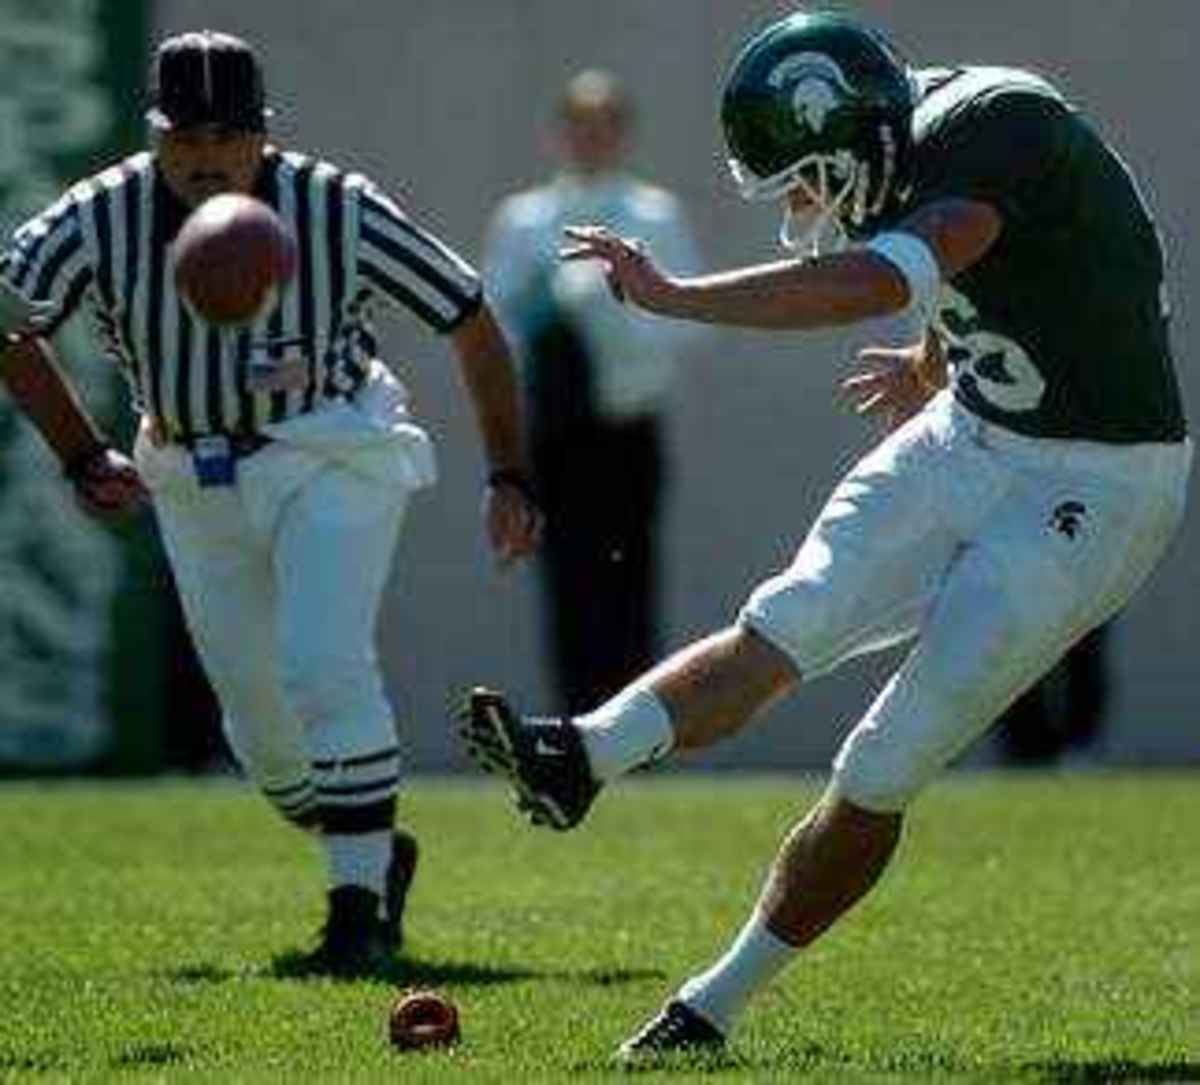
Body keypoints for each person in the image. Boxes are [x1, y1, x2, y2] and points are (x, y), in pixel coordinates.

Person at [459, 9, 1190, 1059]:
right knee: (793, 615)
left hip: (1096, 483)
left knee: (886, 754)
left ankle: (713, 1000)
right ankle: (578, 755)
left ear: (858, 134)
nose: (805, 205)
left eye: (810, 176)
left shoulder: (1000, 124)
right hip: (976, 426)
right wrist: (935, 361)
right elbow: (988, 263)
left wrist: (671, 297)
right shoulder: (911, 136)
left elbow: (883, 275)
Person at [0, 29, 540, 974]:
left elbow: (469, 314)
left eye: (228, 137)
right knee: (258, 724)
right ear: (155, 134)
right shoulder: (104, 213)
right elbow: (6, 319)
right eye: (186, 138)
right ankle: (369, 848)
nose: (208, 159)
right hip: (189, 465)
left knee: (322, 658)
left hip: (335, 443)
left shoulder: (335, 206)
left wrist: (510, 473)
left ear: (263, 134)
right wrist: (81, 452)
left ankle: (354, 912)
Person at [482, 70, 703, 713]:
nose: (590, 138)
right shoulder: (525, 220)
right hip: (556, 429)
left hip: (627, 424)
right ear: (558, 134)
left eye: (604, 124)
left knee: (631, 579)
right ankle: (574, 729)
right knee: (566, 582)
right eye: (578, 124)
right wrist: (546, 307)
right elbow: (495, 323)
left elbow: (686, 321)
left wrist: (612, 313)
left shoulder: (653, 215)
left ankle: (633, 731)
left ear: (623, 134)